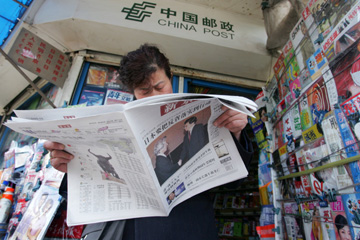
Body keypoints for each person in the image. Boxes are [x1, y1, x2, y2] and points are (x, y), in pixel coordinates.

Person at [44, 44, 253, 240]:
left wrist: (236, 132)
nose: (154, 95)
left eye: (159, 86)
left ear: (170, 77)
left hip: (185, 229)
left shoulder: (200, 113)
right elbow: (83, 195)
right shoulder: (115, 124)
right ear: (132, 93)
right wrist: (70, 166)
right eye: (144, 92)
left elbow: (234, 181)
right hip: (126, 231)